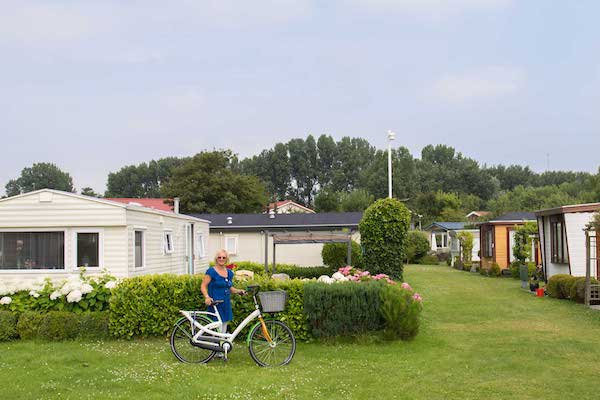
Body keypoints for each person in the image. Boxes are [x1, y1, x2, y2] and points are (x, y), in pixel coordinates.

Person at [201, 249, 245, 334]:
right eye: (219, 257)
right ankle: (216, 344)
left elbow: (229, 287)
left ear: (226, 259)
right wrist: (207, 297)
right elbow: (203, 286)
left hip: (225, 302)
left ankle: (221, 343)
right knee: (216, 326)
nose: (221, 259)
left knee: (224, 324)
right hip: (215, 302)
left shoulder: (229, 273)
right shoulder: (211, 271)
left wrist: (239, 291)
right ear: (216, 259)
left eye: (224, 257)